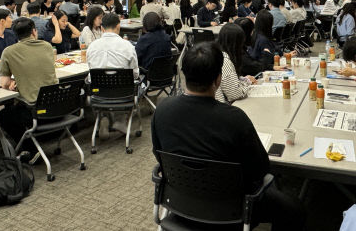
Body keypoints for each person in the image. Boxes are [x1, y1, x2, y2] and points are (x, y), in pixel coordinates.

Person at [151, 41, 305, 230]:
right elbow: (261, 168)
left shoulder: (162, 110)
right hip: (233, 209)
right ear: (218, 79)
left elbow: (159, 155)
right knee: (294, 209)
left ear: (184, 74)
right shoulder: (233, 118)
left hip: (179, 200)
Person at [0, 17, 58, 157]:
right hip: (56, 106)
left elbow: (4, 84)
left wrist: (16, 79)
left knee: (4, 115)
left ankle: (30, 148)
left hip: (35, 111)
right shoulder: (47, 46)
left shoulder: (9, 51)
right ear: (34, 31)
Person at [87, 13, 140, 138]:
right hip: (124, 94)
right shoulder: (127, 46)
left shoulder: (92, 46)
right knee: (133, 84)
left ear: (102, 28)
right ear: (118, 26)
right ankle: (120, 121)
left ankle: (103, 118)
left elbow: (90, 73)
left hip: (99, 94)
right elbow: (135, 74)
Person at [215, 24, 257, 104]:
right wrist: (248, 82)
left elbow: (228, 81)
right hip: (221, 108)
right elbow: (235, 94)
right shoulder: (225, 61)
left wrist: (243, 79)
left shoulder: (217, 53)